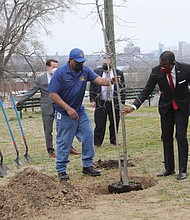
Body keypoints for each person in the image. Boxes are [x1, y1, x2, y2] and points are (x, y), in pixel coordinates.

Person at [48, 48, 120, 181]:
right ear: (70, 60)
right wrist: (68, 108)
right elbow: (52, 94)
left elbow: (99, 80)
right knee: (64, 141)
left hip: (79, 111)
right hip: (64, 113)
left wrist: (111, 81)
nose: (80, 64)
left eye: (82, 62)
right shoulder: (61, 73)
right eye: (77, 62)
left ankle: (87, 165)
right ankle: (61, 170)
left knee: (88, 134)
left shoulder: (85, 71)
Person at [122, 51, 190, 180]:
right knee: (166, 137)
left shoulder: (186, 69)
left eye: (165, 66)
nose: (162, 68)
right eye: (161, 65)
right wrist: (134, 106)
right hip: (166, 108)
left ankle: (182, 170)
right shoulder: (156, 71)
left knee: (180, 136)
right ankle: (169, 169)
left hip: (182, 107)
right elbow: (147, 90)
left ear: (173, 63)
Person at [17, 59, 80, 158]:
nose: (55, 69)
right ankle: (50, 150)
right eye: (53, 67)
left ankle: (69, 147)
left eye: (56, 67)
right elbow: (32, 91)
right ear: (47, 67)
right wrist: (20, 101)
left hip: (60, 106)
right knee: (48, 130)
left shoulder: (61, 76)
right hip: (47, 107)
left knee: (64, 128)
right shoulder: (41, 78)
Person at [90, 57, 126, 146]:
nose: (105, 65)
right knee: (99, 123)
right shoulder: (96, 72)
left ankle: (114, 140)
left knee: (114, 122)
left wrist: (122, 102)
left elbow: (123, 89)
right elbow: (92, 87)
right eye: (103, 64)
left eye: (107, 64)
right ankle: (97, 142)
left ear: (112, 64)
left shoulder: (118, 73)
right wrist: (92, 99)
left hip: (114, 102)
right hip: (101, 101)